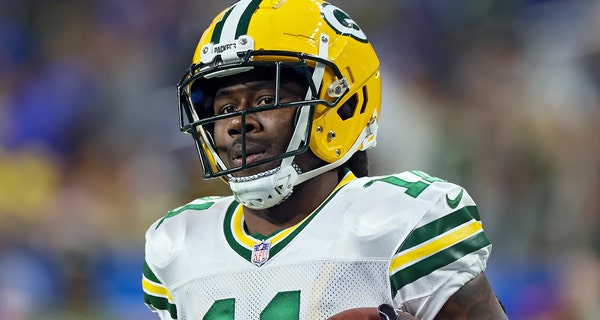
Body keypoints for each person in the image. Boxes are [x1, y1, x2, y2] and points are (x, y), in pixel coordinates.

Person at [142, 0, 507, 319]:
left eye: (267, 102)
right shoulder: (178, 245)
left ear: (345, 104)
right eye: (225, 108)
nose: (239, 124)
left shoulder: (400, 222)